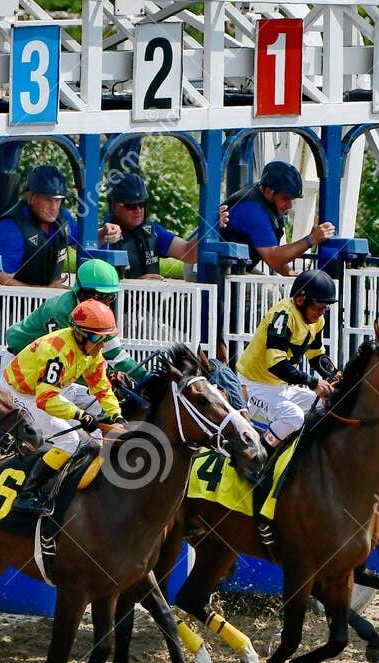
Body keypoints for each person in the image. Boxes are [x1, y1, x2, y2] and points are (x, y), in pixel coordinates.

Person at [3, 299, 126, 518]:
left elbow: (101, 386)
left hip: (50, 390)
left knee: (96, 436)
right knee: (69, 441)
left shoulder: (92, 352)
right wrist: (81, 415)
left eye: (105, 338)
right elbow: (46, 399)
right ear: (79, 334)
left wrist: (116, 413)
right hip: (22, 393)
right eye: (98, 338)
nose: (101, 345)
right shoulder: (57, 352)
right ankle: (26, 494)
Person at [4, 258, 147, 407]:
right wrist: (108, 378)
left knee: (102, 409)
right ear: (81, 292)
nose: (104, 304)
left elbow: (116, 354)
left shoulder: (98, 314)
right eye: (99, 297)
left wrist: (146, 377)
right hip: (21, 369)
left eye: (109, 297)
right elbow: (70, 364)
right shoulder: (60, 312)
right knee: (69, 424)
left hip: (53, 372)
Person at [236, 268, 339, 449]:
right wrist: (313, 382)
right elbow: (276, 365)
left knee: (326, 405)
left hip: (281, 388)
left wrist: (334, 374)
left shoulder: (316, 320)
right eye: (317, 306)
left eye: (326, 307)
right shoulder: (283, 316)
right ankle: (256, 457)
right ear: (300, 300)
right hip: (253, 386)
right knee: (294, 416)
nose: (322, 312)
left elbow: (315, 354)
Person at [0, 165, 119, 287]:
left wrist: (104, 233)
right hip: (15, 306)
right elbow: (1, 278)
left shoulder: (63, 217)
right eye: (48, 200)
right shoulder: (11, 228)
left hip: (49, 303)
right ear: (30, 197)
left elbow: (84, 244)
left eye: (58, 200)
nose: (54, 207)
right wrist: (46, 289)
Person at [221, 159, 335, 275]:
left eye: (292, 200)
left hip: (235, 269)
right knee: (272, 291)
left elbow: (273, 256)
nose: (289, 205)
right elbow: (273, 258)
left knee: (277, 289)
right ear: (269, 191)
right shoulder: (253, 210)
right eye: (286, 198)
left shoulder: (266, 203)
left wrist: (291, 274)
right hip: (218, 274)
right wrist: (312, 239)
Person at [105, 172, 211, 279]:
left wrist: (209, 227)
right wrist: (137, 283)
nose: (138, 210)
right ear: (113, 206)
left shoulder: (153, 230)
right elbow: (97, 283)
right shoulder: (103, 236)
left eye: (142, 204)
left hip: (153, 295)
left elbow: (190, 254)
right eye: (131, 206)